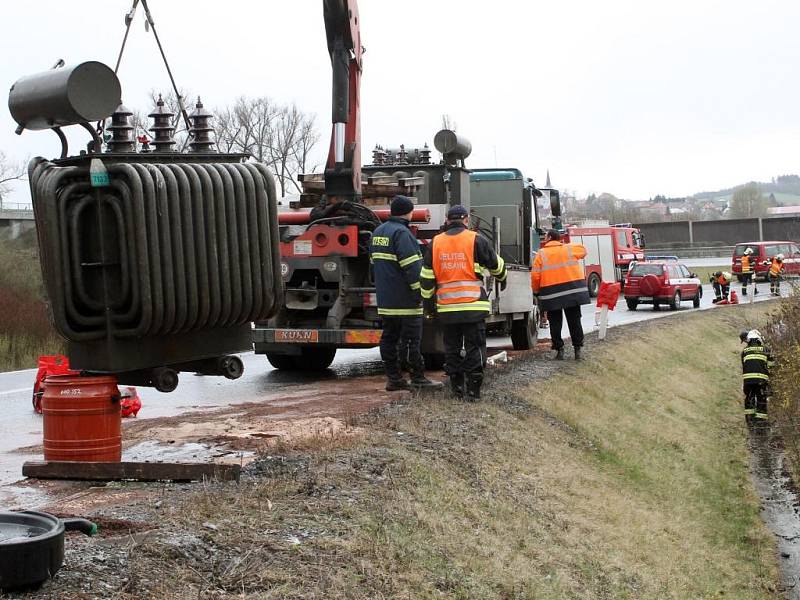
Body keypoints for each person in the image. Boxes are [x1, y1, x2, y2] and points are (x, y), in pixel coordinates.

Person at [420, 205, 507, 401]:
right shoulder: (476, 239)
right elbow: (495, 264)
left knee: (451, 348)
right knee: (474, 347)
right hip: (473, 306)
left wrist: (429, 305)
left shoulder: (435, 243)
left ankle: (456, 389)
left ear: (447, 220)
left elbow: (426, 278)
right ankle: (473, 392)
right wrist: (503, 276)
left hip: (447, 309)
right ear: (466, 219)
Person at [370, 195, 442, 392]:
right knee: (411, 340)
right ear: (409, 212)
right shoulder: (403, 234)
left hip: (386, 300)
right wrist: (422, 295)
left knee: (389, 339)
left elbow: (373, 266)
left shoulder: (378, 232)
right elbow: (412, 268)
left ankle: (394, 379)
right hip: (406, 301)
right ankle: (417, 377)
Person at [531, 229, 590, 360]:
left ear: (550, 237)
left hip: (552, 294)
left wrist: (536, 291)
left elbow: (535, 275)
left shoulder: (541, 254)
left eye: (545, 236)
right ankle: (577, 350)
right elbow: (584, 250)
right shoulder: (568, 249)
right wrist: (564, 245)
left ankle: (559, 350)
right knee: (574, 321)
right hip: (572, 291)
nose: (543, 238)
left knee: (555, 323)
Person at [741, 329, 773, 424]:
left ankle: (749, 421)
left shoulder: (744, 352)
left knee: (749, 398)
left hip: (748, 381)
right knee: (761, 398)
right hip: (761, 380)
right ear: (759, 339)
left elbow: (744, 366)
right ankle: (761, 423)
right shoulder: (766, 350)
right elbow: (772, 366)